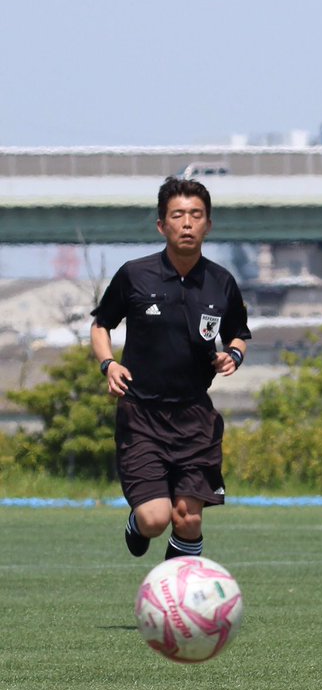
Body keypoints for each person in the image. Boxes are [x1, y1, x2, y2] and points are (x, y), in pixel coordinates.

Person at [90, 176, 250, 561]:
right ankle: (136, 523)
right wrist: (108, 364)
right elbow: (101, 325)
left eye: (196, 215)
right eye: (178, 215)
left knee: (188, 519)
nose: (187, 223)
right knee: (155, 519)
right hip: (142, 413)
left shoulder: (222, 282)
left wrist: (234, 354)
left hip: (195, 416)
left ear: (208, 224)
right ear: (162, 225)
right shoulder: (134, 275)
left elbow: (239, 334)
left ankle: (181, 604)